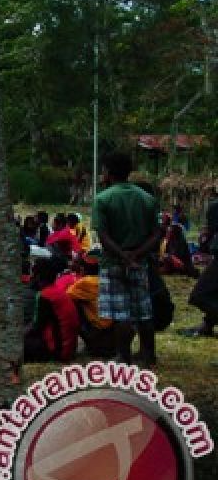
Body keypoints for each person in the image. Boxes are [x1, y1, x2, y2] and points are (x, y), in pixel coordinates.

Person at [92, 151, 161, 366]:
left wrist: (123, 256)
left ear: (108, 172)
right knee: (143, 308)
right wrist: (136, 255)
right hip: (140, 261)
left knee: (120, 312)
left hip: (113, 262)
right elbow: (157, 233)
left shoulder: (102, 199)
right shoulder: (146, 198)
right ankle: (148, 354)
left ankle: (123, 356)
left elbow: (103, 236)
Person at [183, 186, 218, 337]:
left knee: (200, 294)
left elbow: (208, 236)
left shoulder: (215, 207)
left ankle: (208, 324)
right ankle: (207, 325)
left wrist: (205, 240)